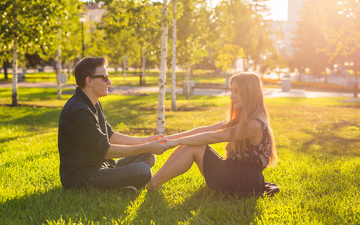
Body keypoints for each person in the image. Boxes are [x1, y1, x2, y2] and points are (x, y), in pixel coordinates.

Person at [147, 72, 279, 196]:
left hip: (243, 182)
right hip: (235, 173)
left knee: (193, 145)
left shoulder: (254, 124)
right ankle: (152, 182)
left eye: (236, 91)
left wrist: (178, 142)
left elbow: (215, 136)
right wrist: (169, 139)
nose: (231, 96)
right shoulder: (243, 118)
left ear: (249, 93)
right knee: (189, 143)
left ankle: (151, 184)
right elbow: (205, 130)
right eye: (231, 90)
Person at [58, 57, 168, 191]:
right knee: (143, 170)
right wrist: (146, 146)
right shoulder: (78, 110)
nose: (109, 82)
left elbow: (110, 136)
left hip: (102, 166)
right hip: (82, 177)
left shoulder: (93, 102)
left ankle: (119, 186)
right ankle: (117, 187)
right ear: (89, 81)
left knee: (148, 156)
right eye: (104, 78)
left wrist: (145, 141)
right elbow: (105, 151)